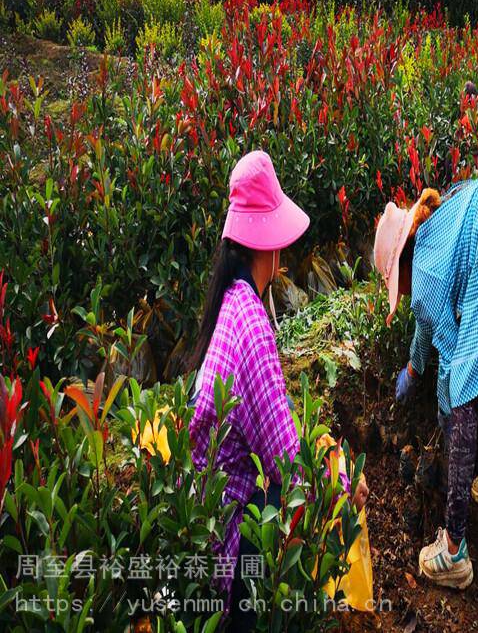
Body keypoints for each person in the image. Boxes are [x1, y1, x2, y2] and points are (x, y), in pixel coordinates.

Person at [189, 151, 368, 629]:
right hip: (234, 548)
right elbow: (288, 468)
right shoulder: (252, 323)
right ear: (269, 245)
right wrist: (345, 486)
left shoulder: (230, 304)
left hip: (205, 524)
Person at [373, 165, 478, 590]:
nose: (405, 291)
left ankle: (453, 550)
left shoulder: (426, 273)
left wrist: (446, 411)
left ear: (405, 261)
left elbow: (452, 360)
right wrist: (414, 369)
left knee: (465, 387)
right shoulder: (436, 232)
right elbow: (428, 324)